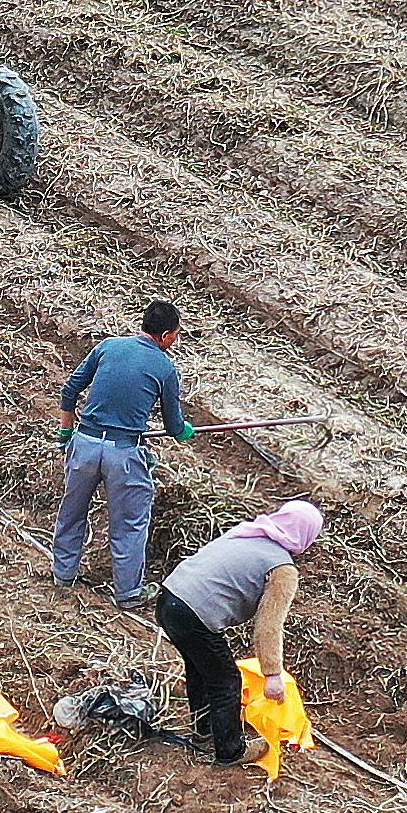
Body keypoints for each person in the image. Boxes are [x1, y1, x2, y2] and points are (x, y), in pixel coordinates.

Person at [157, 501, 318, 768]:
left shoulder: (250, 533)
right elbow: (269, 625)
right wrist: (273, 674)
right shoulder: (283, 569)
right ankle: (230, 750)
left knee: (200, 667)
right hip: (192, 613)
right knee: (226, 680)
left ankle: (206, 727)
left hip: (168, 598)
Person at [53, 300, 192, 608]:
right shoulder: (165, 368)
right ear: (166, 335)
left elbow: (69, 391)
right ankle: (128, 593)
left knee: (72, 511)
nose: (176, 340)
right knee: (130, 523)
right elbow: (173, 425)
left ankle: (63, 574)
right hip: (124, 453)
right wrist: (184, 430)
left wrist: (66, 433)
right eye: (177, 335)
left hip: (85, 444)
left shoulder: (108, 347)